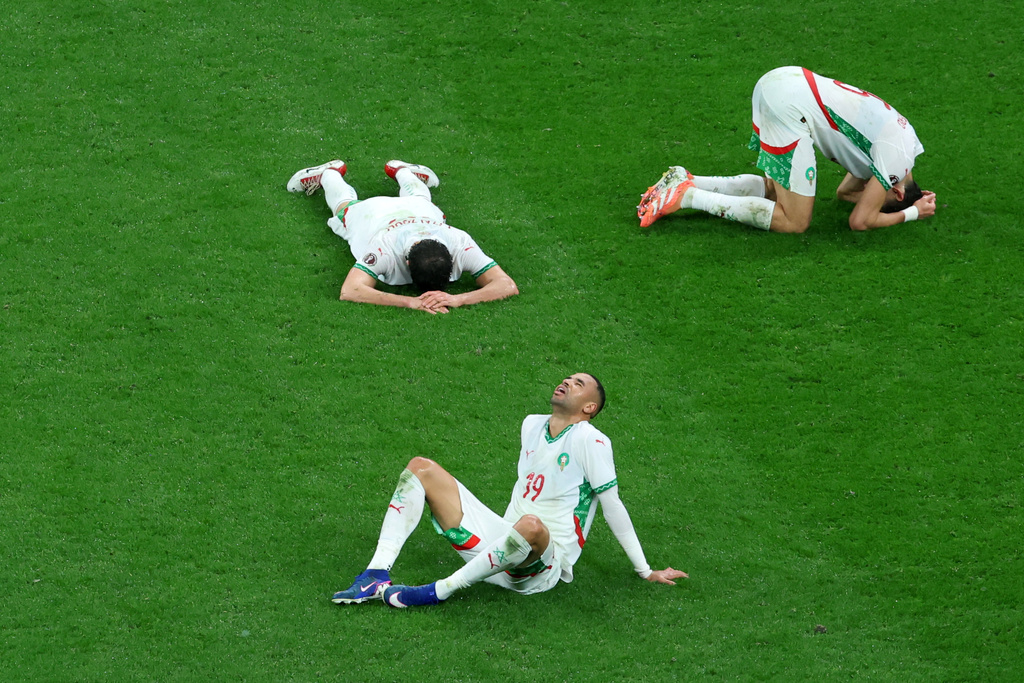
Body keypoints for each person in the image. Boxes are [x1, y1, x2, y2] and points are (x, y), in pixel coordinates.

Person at [331, 373, 688, 608]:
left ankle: (435, 592)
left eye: (578, 384)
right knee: (421, 468)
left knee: (531, 525)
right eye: (567, 378)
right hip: (500, 546)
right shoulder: (531, 425)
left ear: (589, 407)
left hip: (541, 565)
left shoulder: (591, 439)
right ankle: (375, 574)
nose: (566, 381)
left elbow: (613, 506)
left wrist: (645, 570)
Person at [638, 66, 937, 233]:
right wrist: (911, 212)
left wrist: (898, 201)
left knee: (776, 191)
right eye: (885, 198)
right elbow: (860, 220)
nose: (875, 195)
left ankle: (685, 178)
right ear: (897, 191)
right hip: (789, 106)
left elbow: (845, 195)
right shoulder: (895, 163)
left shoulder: (902, 144)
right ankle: (687, 196)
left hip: (784, 81)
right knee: (794, 221)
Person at [287, 159, 518, 314]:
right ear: (406, 263)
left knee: (420, 199)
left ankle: (401, 170)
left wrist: (459, 299)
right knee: (345, 208)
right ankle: (329, 172)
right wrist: (409, 301)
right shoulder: (384, 248)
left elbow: (507, 286)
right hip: (372, 213)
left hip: (416, 211)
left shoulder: (459, 242)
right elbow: (350, 290)